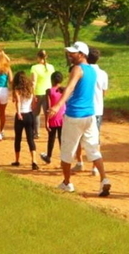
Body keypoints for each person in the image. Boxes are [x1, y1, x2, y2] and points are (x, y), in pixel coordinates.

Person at [48, 41, 111, 196]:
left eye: (73, 53)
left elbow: (70, 87)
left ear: (82, 54)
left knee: (67, 151)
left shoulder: (77, 69)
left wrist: (57, 106)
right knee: (93, 149)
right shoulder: (92, 71)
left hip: (74, 115)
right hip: (89, 115)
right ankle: (104, 179)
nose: (70, 55)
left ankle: (67, 182)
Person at [71, 47, 108, 176]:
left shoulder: (83, 70)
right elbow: (104, 92)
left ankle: (80, 162)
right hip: (97, 109)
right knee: (95, 138)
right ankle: (95, 167)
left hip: (83, 108)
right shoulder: (103, 73)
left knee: (78, 136)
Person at [11, 71, 39, 170]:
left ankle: (17, 160)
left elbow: (17, 101)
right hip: (29, 114)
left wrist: (18, 113)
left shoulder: (17, 89)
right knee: (30, 139)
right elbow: (34, 102)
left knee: (18, 138)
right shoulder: (31, 88)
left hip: (21, 114)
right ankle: (34, 160)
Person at [40, 71, 66, 164]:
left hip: (53, 117)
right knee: (61, 139)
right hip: (63, 117)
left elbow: (48, 107)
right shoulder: (64, 90)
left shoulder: (49, 91)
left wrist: (47, 121)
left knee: (51, 138)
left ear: (52, 80)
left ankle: (49, 156)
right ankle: (64, 159)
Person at [30, 50, 55, 139]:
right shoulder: (51, 67)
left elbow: (33, 82)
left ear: (38, 57)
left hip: (38, 92)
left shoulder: (34, 67)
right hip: (48, 92)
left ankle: (36, 133)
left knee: (36, 114)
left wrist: (33, 95)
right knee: (48, 113)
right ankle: (51, 131)